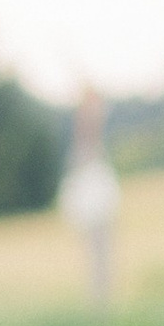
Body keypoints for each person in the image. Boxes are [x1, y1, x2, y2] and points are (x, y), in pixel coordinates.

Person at [58, 88, 120, 312]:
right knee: (98, 252)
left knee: (100, 252)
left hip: (94, 196)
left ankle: (101, 300)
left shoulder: (87, 147)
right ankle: (99, 301)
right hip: (92, 198)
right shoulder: (85, 149)